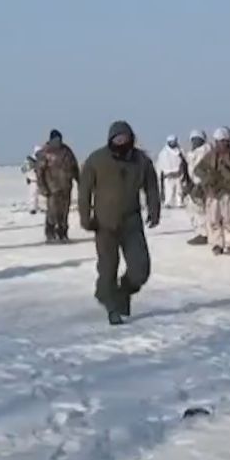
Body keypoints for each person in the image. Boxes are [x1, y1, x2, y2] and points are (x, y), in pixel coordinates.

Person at [79, 121, 161, 325]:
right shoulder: (97, 160)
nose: (121, 142)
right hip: (104, 222)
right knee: (108, 268)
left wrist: (154, 209)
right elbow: (84, 191)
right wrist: (85, 217)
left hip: (131, 221)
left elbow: (151, 186)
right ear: (110, 140)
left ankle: (123, 291)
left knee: (140, 269)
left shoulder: (141, 160)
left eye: (125, 138)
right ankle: (111, 306)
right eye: (117, 138)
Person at [193, 128, 230, 254]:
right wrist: (208, 178)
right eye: (219, 141)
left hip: (228, 192)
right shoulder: (211, 155)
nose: (221, 144)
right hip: (213, 192)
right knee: (213, 220)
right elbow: (198, 169)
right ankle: (217, 244)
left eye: (223, 141)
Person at [37, 129, 79, 243]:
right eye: (55, 139)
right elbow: (39, 172)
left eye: (59, 139)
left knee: (64, 212)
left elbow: (74, 167)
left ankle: (63, 233)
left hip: (66, 186)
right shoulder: (45, 152)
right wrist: (43, 188)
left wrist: (80, 181)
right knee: (52, 212)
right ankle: (50, 233)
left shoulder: (66, 151)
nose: (58, 141)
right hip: (52, 188)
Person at [184, 130, 211, 245]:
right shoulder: (192, 154)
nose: (194, 142)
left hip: (204, 184)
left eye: (197, 139)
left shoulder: (206, 152)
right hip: (195, 184)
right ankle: (202, 232)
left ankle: (205, 234)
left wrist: (200, 184)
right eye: (193, 139)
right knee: (195, 209)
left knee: (204, 210)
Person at [156, 136, 187, 209]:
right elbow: (160, 165)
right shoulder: (163, 153)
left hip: (178, 174)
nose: (173, 143)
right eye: (171, 141)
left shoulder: (180, 151)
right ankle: (168, 203)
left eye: (174, 141)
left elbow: (184, 162)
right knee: (169, 190)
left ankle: (179, 202)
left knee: (179, 190)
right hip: (168, 175)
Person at [21, 146, 42, 214]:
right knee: (33, 195)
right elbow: (23, 169)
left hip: (41, 181)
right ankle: (33, 208)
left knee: (41, 196)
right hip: (33, 181)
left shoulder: (42, 159)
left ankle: (39, 207)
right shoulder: (30, 160)